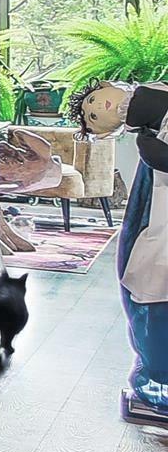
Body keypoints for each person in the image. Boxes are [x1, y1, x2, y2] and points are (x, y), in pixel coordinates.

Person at [75, 79, 168, 427]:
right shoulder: (149, 139)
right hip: (157, 221)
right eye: (92, 116)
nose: (96, 109)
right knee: (149, 287)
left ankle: (158, 385)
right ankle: (156, 384)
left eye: (94, 102)